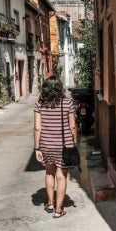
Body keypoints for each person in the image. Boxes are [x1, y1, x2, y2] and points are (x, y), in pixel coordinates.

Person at [33, 76, 77, 218]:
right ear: (60, 88)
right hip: (64, 145)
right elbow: (73, 126)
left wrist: (37, 148)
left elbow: (37, 128)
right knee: (61, 176)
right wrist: (74, 142)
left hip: (46, 144)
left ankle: (50, 204)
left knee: (49, 172)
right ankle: (59, 210)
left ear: (45, 88)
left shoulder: (39, 104)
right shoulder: (67, 103)